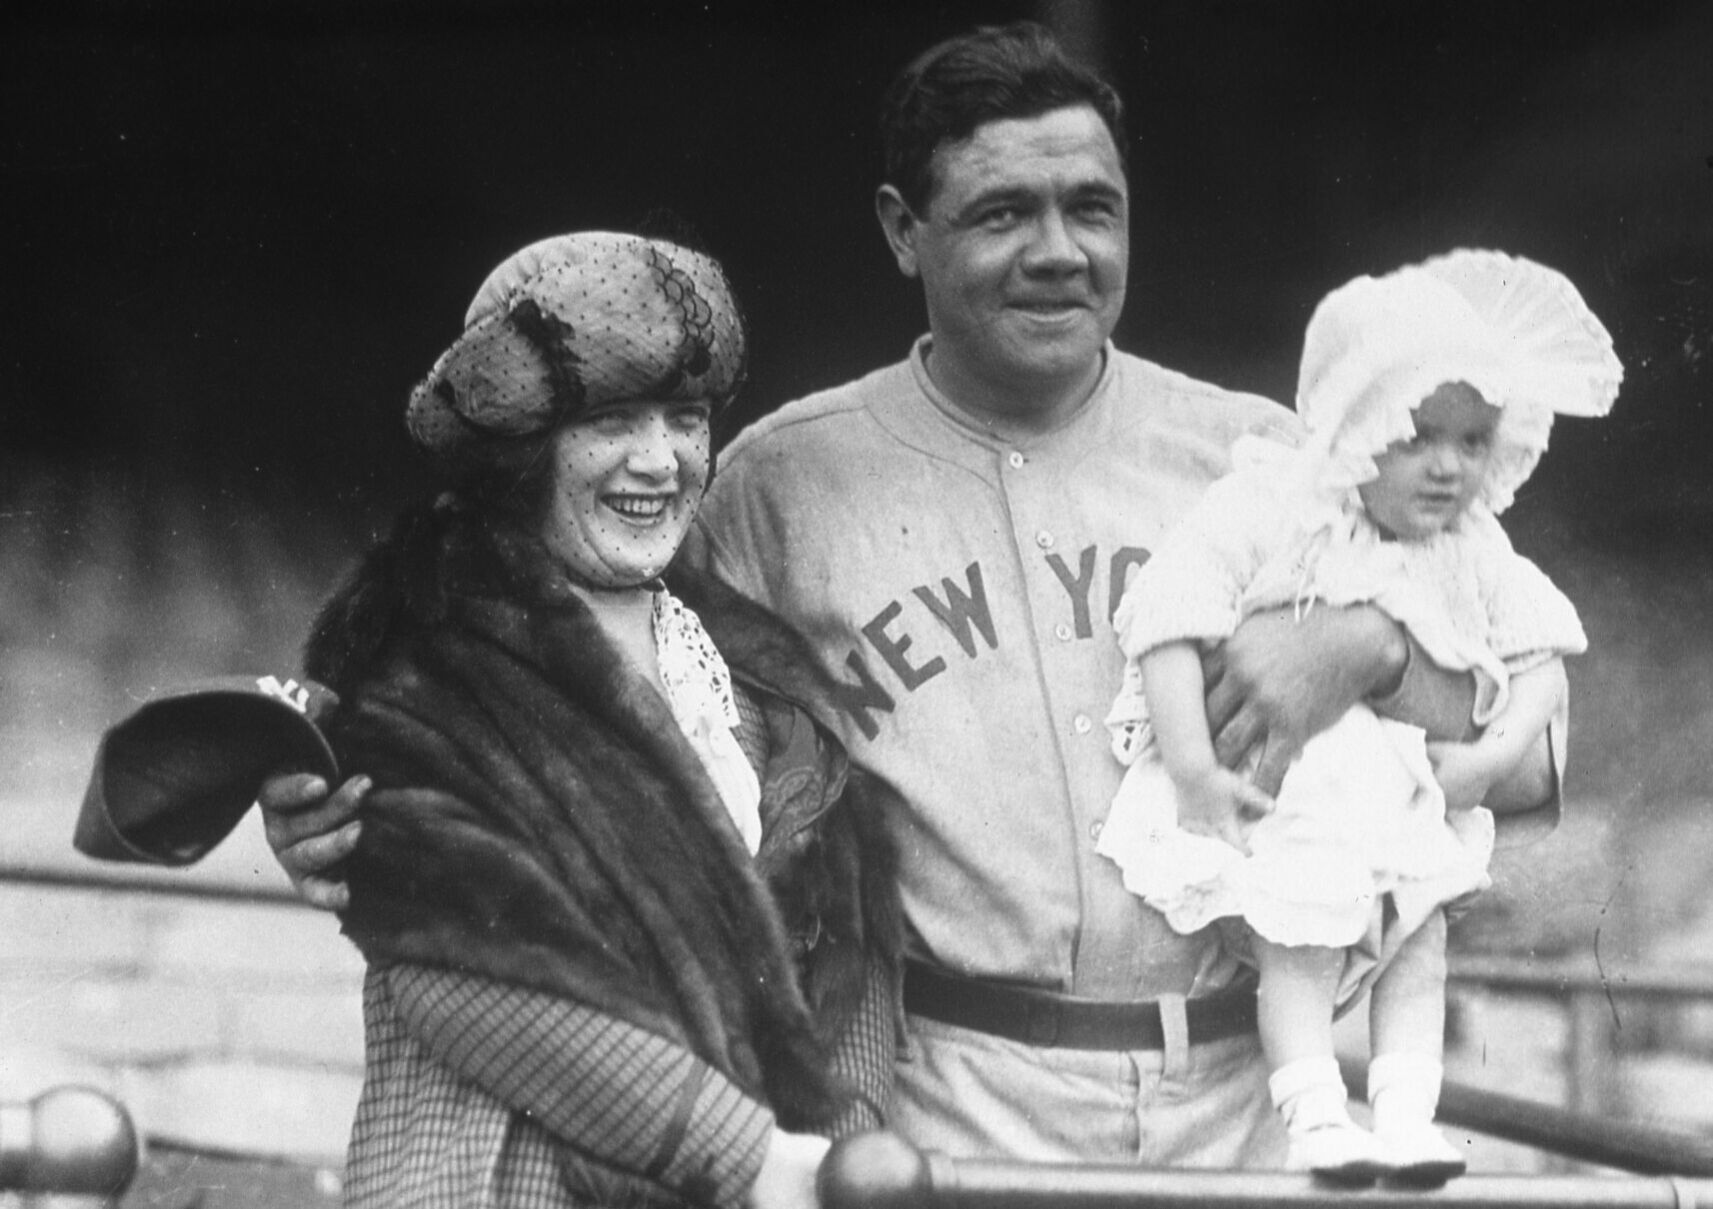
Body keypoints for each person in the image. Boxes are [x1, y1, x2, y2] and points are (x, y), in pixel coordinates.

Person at [261, 23, 1560, 1170]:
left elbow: (1538, 755)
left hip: (1258, 1104)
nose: (1059, 251)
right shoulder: (775, 482)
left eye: (1092, 208)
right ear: (902, 227)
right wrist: (334, 798)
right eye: (1003, 213)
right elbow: (549, 692)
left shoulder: (1271, 458)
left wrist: (1375, 656)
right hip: (946, 1112)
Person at [297, 231, 900, 1207]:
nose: (660, 461)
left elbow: (852, 933)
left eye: (686, 416)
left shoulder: (759, 669)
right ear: (524, 446)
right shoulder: (412, 662)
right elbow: (472, 984)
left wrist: (849, 1141)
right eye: (613, 419)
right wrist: (760, 1163)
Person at [1098, 249, 1619, 1181]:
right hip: (1294, 796)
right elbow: (1170, 620)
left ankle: (1408, 1118)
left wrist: (1491, 752)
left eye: (1471, 442)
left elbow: (1547, 655)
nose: (1448, 467)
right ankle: (1312, 1115)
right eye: (1419, 436)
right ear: (1352, 425)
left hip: (1406, 798)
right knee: (1299, 943)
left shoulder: (1474, 547)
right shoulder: (1273, 505)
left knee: (1420, 945)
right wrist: (1190, 768)